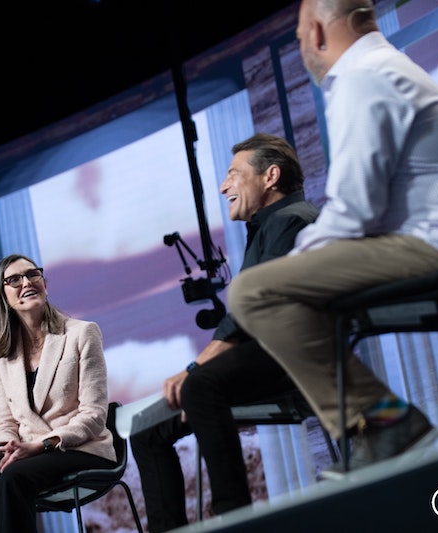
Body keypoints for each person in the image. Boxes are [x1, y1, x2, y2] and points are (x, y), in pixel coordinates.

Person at [227, 0, 438, 478]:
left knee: (253, 291)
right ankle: (381, 425)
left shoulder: (361, 79)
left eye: (301, 35)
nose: (304, 46)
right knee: (285, 292)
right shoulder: (385, 67)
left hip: (434, 249)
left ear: (319, 32)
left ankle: (388, 424)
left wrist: (293, 266)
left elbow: (353, 212)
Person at [130, 133, 319, 531]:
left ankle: (234, 519)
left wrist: (196, 369)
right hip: (263, 356)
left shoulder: (292, 220)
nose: (223, 186)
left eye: (234, 174)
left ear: (271, 176)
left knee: (200, 387)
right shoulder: (268, 226)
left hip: (291, 357)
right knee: (146, 431)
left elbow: (256, 313)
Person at [0, 254, 115, 533]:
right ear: (3, 297)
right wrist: (7, 446)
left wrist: (41, 445)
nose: (26, 282)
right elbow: (6, 422)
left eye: (32, 274)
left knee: (13, 475)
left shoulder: (82, 333)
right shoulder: (1, 356)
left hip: (78, 447)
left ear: (44, 283)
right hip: (30, 452)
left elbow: (94, 416)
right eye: (14, 279)